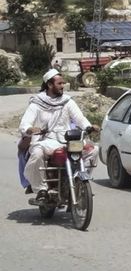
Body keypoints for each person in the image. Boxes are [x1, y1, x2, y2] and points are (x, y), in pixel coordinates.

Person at [18, 69, 98, 202]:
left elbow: (80, 118)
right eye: (60, 83)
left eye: (63, 83)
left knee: (94, 150)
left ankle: (80, 182)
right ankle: (42, 189)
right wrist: (30, 129)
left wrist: (89, 127)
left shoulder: (67, 101)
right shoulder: (37, 103)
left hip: (68, 141)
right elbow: (25, 123)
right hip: (46, 141)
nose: (63, 86)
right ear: (50, 85)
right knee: (36, 153)